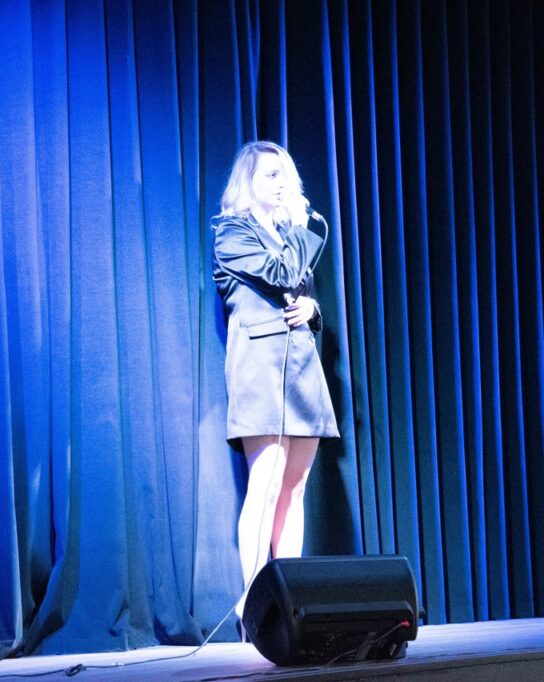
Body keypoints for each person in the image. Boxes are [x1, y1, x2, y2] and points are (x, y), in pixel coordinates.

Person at [212, 141, 339, 617]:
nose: (281, 183)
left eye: (285, 174)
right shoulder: (231, 233)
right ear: (247, 181)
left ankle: (289, 601)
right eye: (270, 175)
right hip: (260, 367)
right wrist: (304, 230)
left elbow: (299, 292)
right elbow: (281, 274)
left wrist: (313, 309)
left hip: (301, 364)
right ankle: (253, 603)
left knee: (295, 487)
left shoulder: (289, 235)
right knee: (264, 484)